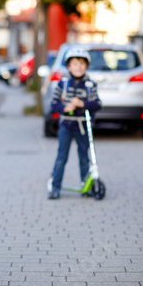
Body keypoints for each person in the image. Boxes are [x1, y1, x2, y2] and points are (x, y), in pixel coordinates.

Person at [48, 47, 102, 199]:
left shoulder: (90, 85)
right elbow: (54, 104)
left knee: (84, 157)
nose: (78, 67)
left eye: (82, 64)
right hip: (66, 125)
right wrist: (65, 108)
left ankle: (85, 186)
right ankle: (55, 186)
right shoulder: (63, 84)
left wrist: (82, 104)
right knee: (61, 158)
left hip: (83, 127)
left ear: (86, 66)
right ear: (69, 66)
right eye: (75, 64)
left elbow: (97, 104)